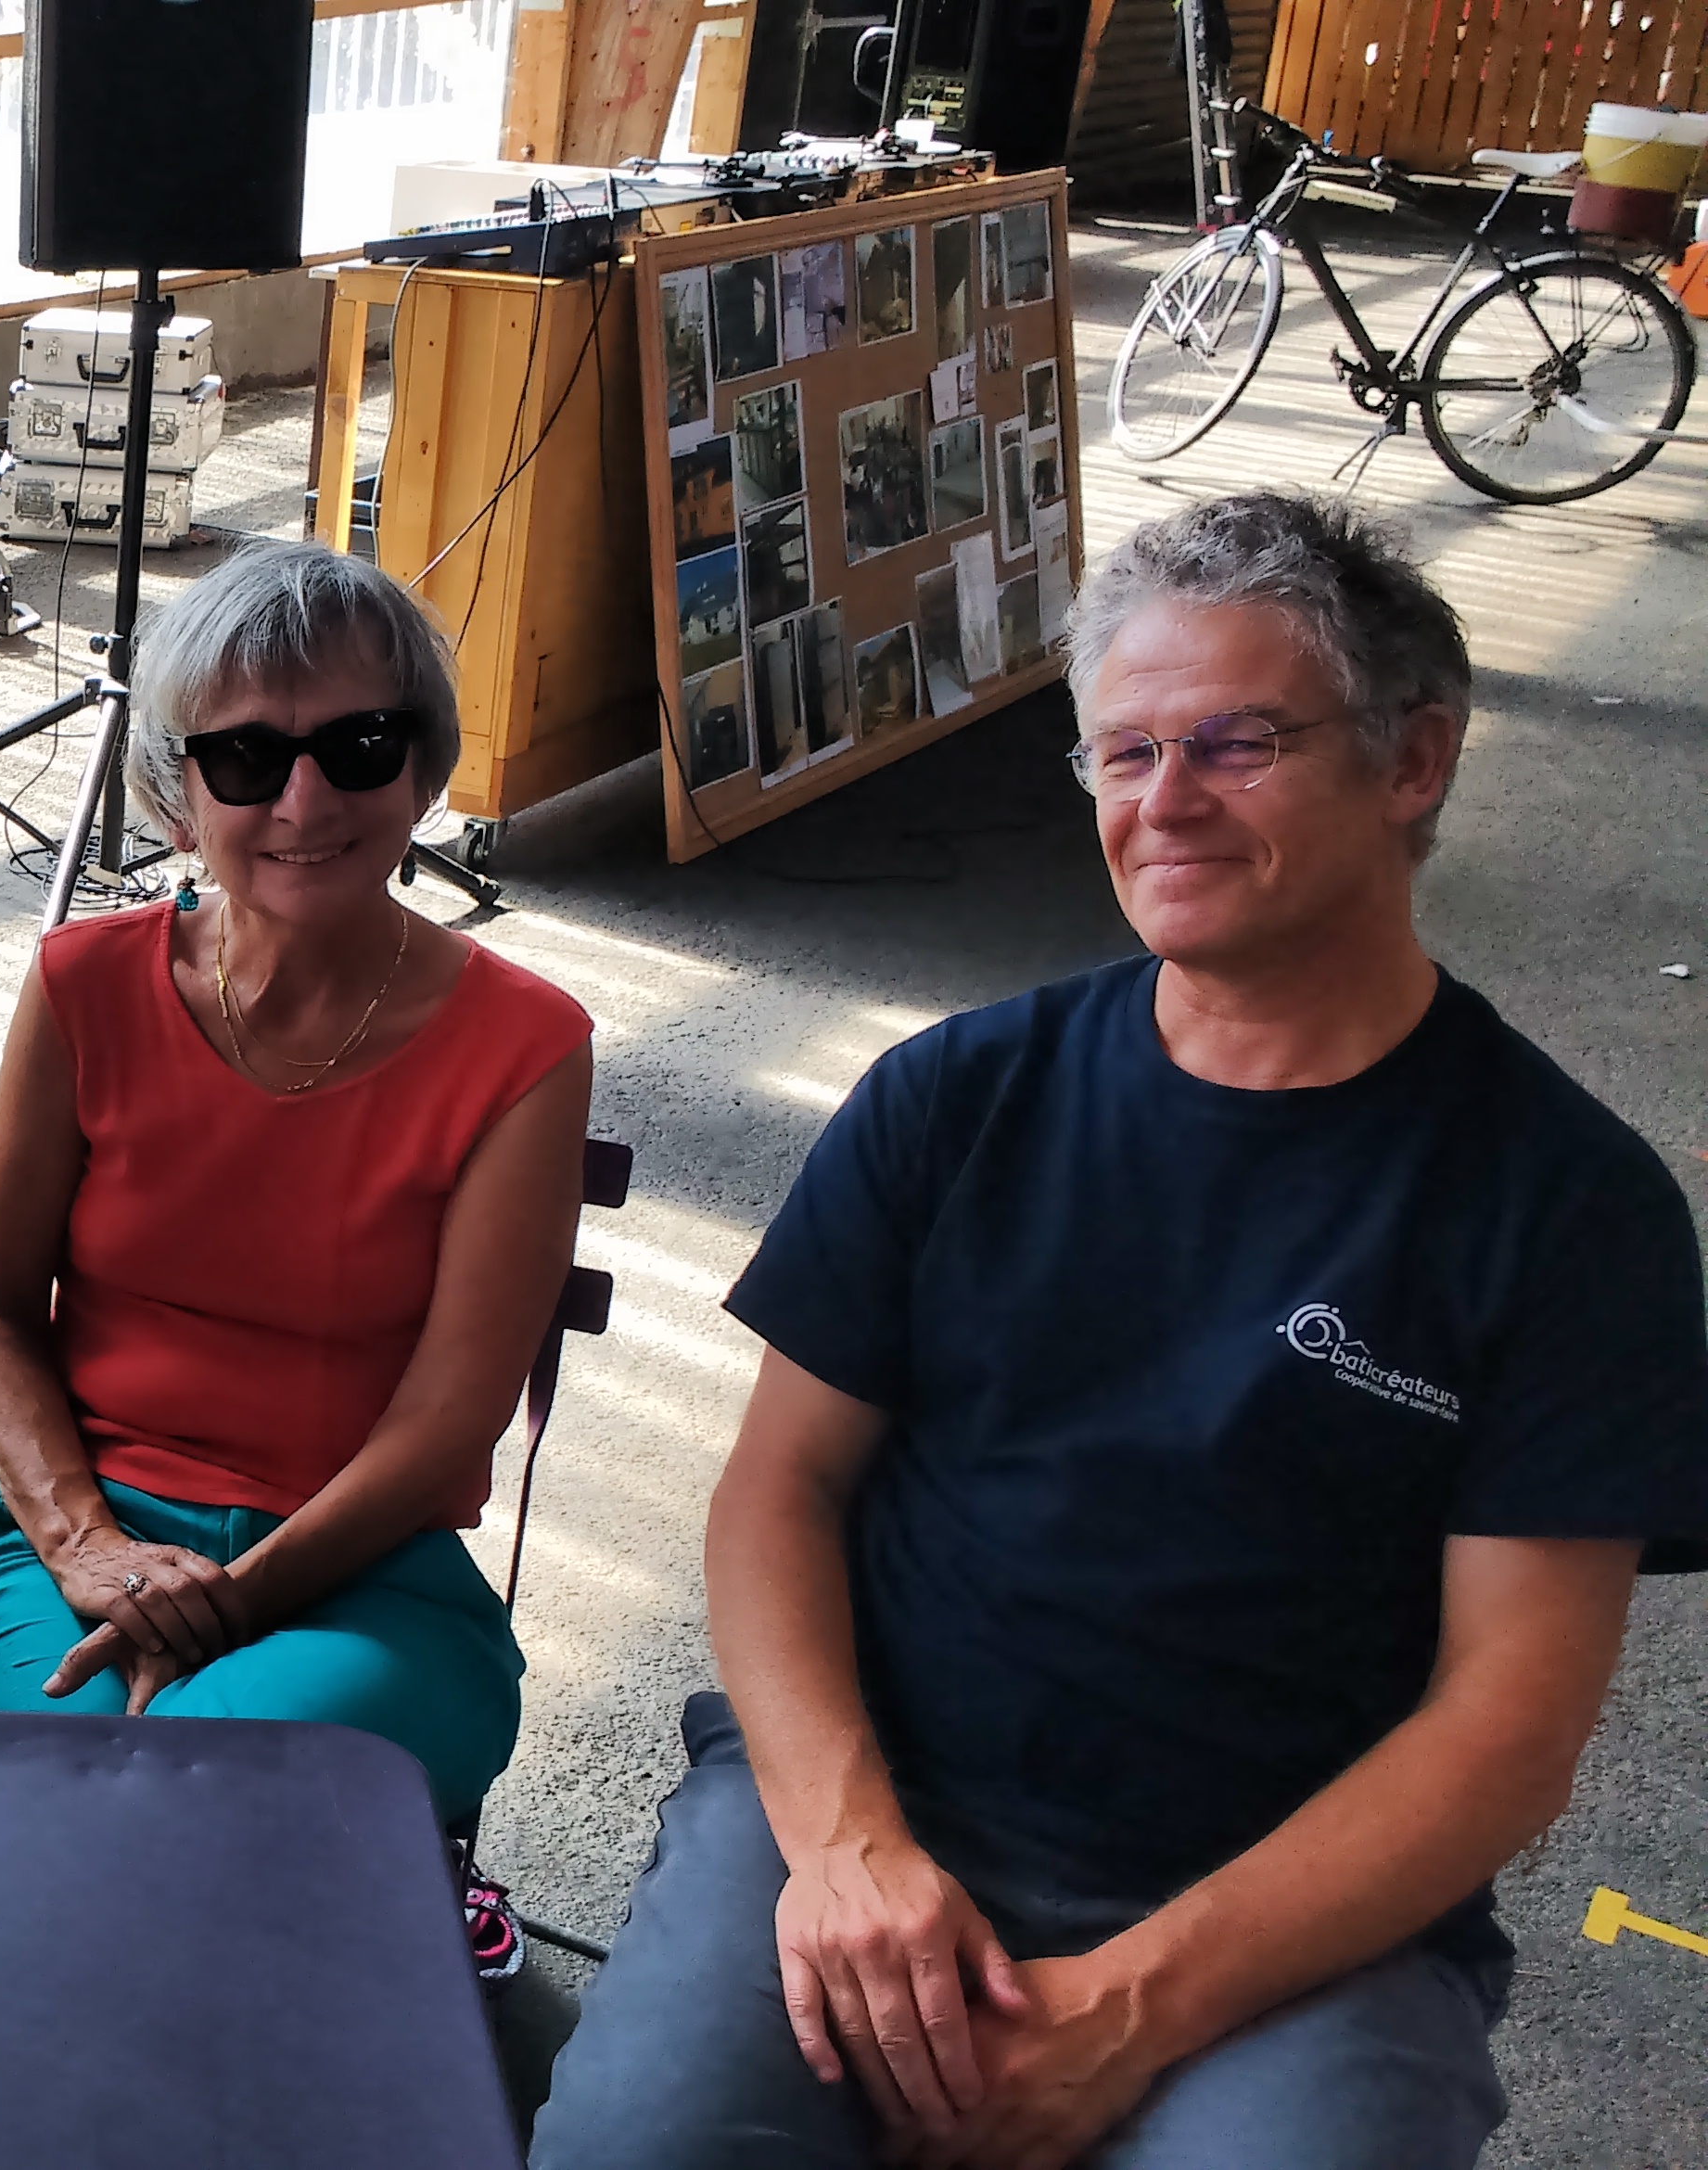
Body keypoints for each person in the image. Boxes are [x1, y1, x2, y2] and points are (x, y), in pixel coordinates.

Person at [533, 491, 1708, 2170]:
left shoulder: (1570, 1210)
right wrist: (852, 1849)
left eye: (1237, 743)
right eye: (1125, 753)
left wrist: (1141, 2003)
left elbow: (1506, 1730)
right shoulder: (955, 1097)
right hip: (879, 1805)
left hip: (1293, 1903)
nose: (1164, 802)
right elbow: (777, 1494)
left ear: (1414, 761)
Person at [0, 540, 595, 1833]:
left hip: (369, 1580)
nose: (305, 801)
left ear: (421, 770)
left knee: (153, 1808)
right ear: (176, 793)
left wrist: (230, 1606)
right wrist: (84, 1545)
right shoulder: (81, 985)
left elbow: (450, 1421)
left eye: (359, 747)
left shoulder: (526, 1046)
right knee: (132, 1808)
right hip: (78, 1543)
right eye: (244, 757)